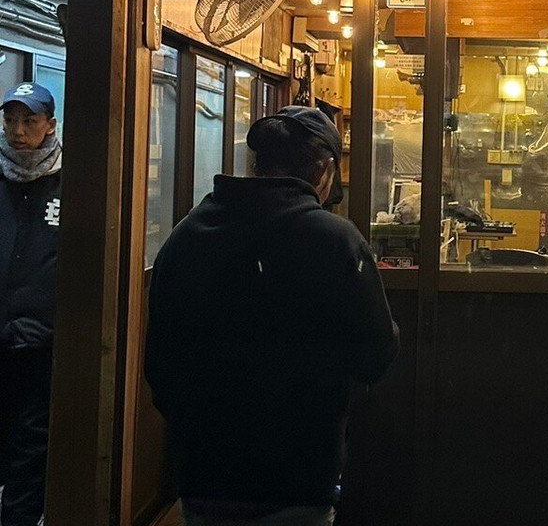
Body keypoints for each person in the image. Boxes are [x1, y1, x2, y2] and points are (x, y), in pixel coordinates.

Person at [145, 106, 399, 526]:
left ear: (255, 165)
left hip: (204, 473)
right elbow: (375, 354)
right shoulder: (336, 240)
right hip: (300, 476)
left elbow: (160, 366)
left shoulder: (187, 235)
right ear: (325, 172)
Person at [0, 82, 62, 526]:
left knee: (30, 444)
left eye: (29, 121)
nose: (18, 131)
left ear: (50, 125)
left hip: (42, 342)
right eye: (10, 120)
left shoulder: (71, 181)